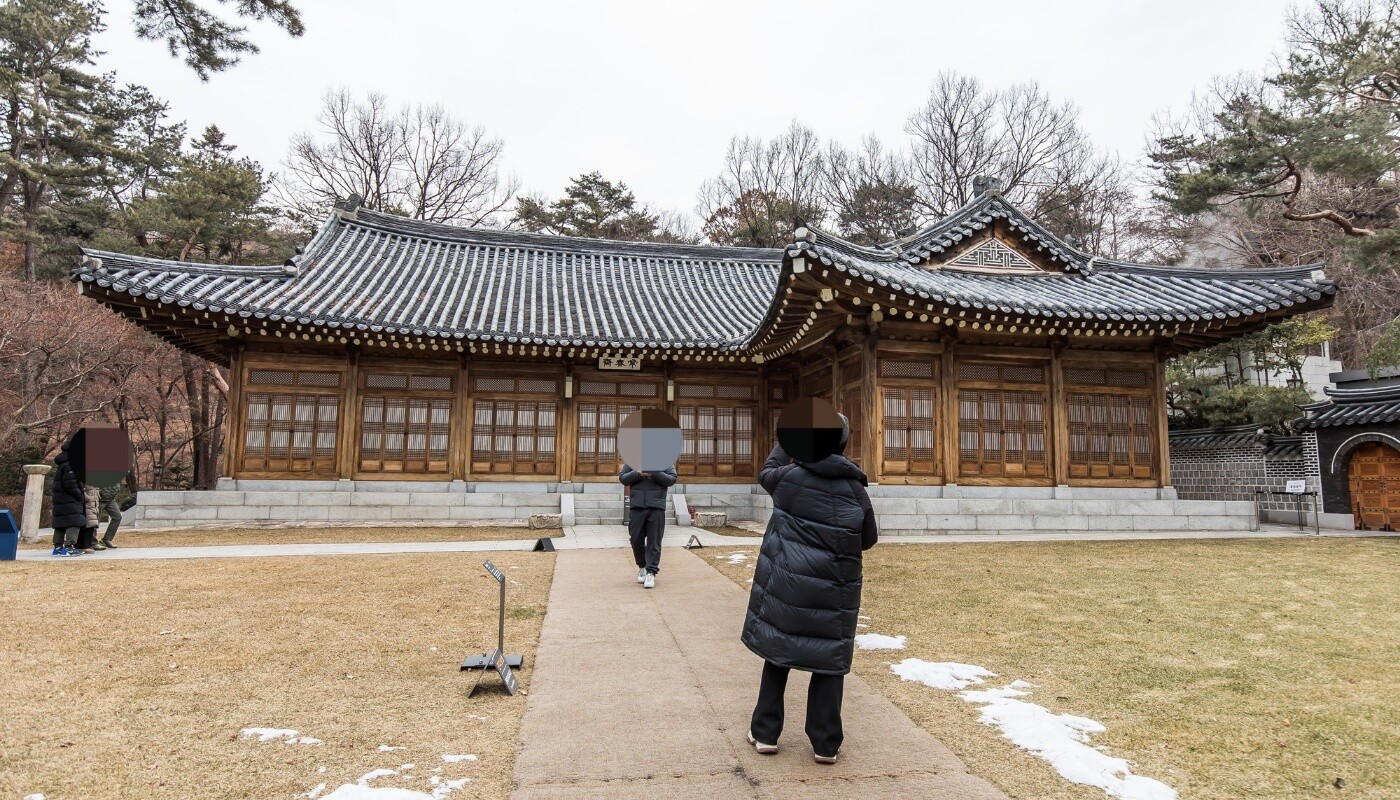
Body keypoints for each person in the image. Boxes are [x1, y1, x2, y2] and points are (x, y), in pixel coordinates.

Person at [741, 414, 878, 765]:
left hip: (788, 583)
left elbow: (766, 472)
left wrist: (787, 442)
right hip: (835, 590)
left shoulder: (789, 478)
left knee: (778, 654)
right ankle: (825, 743)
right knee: (829, 662)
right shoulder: (855, 488)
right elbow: (868, 539)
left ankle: (765, 733)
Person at [619, 462, 677, 589]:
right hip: (637, 507)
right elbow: (623, 478)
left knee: (654, 541)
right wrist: (638, 473)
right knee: (635, 539)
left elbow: (672, 479)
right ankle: (642, 566)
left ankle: (651, 572)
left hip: (656, 507)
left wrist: (653, 472)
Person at [49, 443, 87, 557]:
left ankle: (57, 547)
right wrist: (80, 495)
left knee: (61, 522)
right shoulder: (71, 465)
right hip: (70, 499)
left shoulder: (62, 464)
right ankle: (69, 547)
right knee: (74, 521)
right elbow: (70, 484)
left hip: (60, 499)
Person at [95, 483, 122, 549]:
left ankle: (106, 540)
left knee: (117, 517)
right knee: (95, 521)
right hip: (99, 500)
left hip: (111, 500)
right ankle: (92, 542)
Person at [76, 483, 101, 553]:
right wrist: (87, 498)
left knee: (91, 524)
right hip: (86, 504)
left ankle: (87, 545)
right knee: (88, 524)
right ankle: (84, 545)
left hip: (93, 504)